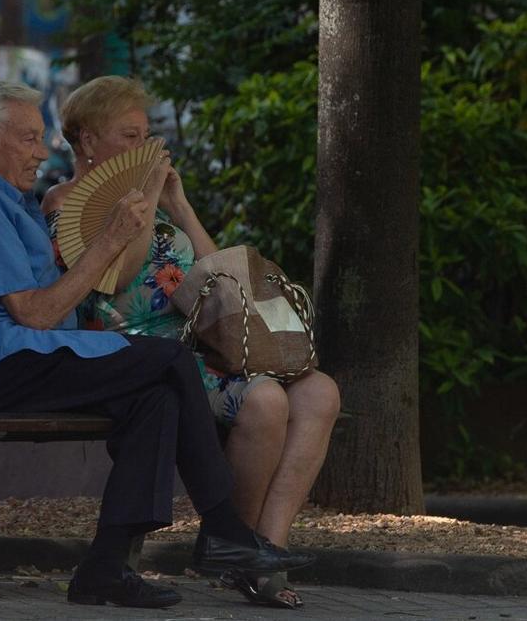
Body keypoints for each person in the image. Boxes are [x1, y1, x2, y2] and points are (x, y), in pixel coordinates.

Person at [0, 81, 314, 610]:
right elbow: (33, 314)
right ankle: (224, 531)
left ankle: (104, 568)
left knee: (157, 398)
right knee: (168, 360)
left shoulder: (7, 200)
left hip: (23, 355)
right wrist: (111, 240)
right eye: (28, 138)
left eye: (41, 138)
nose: (41, 150)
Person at [42, 76, 341, 609]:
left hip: (195, 345)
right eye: (130, 136)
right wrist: (148, 194)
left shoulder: (154, 210)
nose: (146, 147)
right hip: (134, 357)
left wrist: (179, 207)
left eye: (146, 134)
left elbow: (219, 283)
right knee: (267, 399)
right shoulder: (67, 205)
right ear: (87, 141)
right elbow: (116, 276)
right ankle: (236, 548)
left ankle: (263, 548)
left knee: (319, 392)